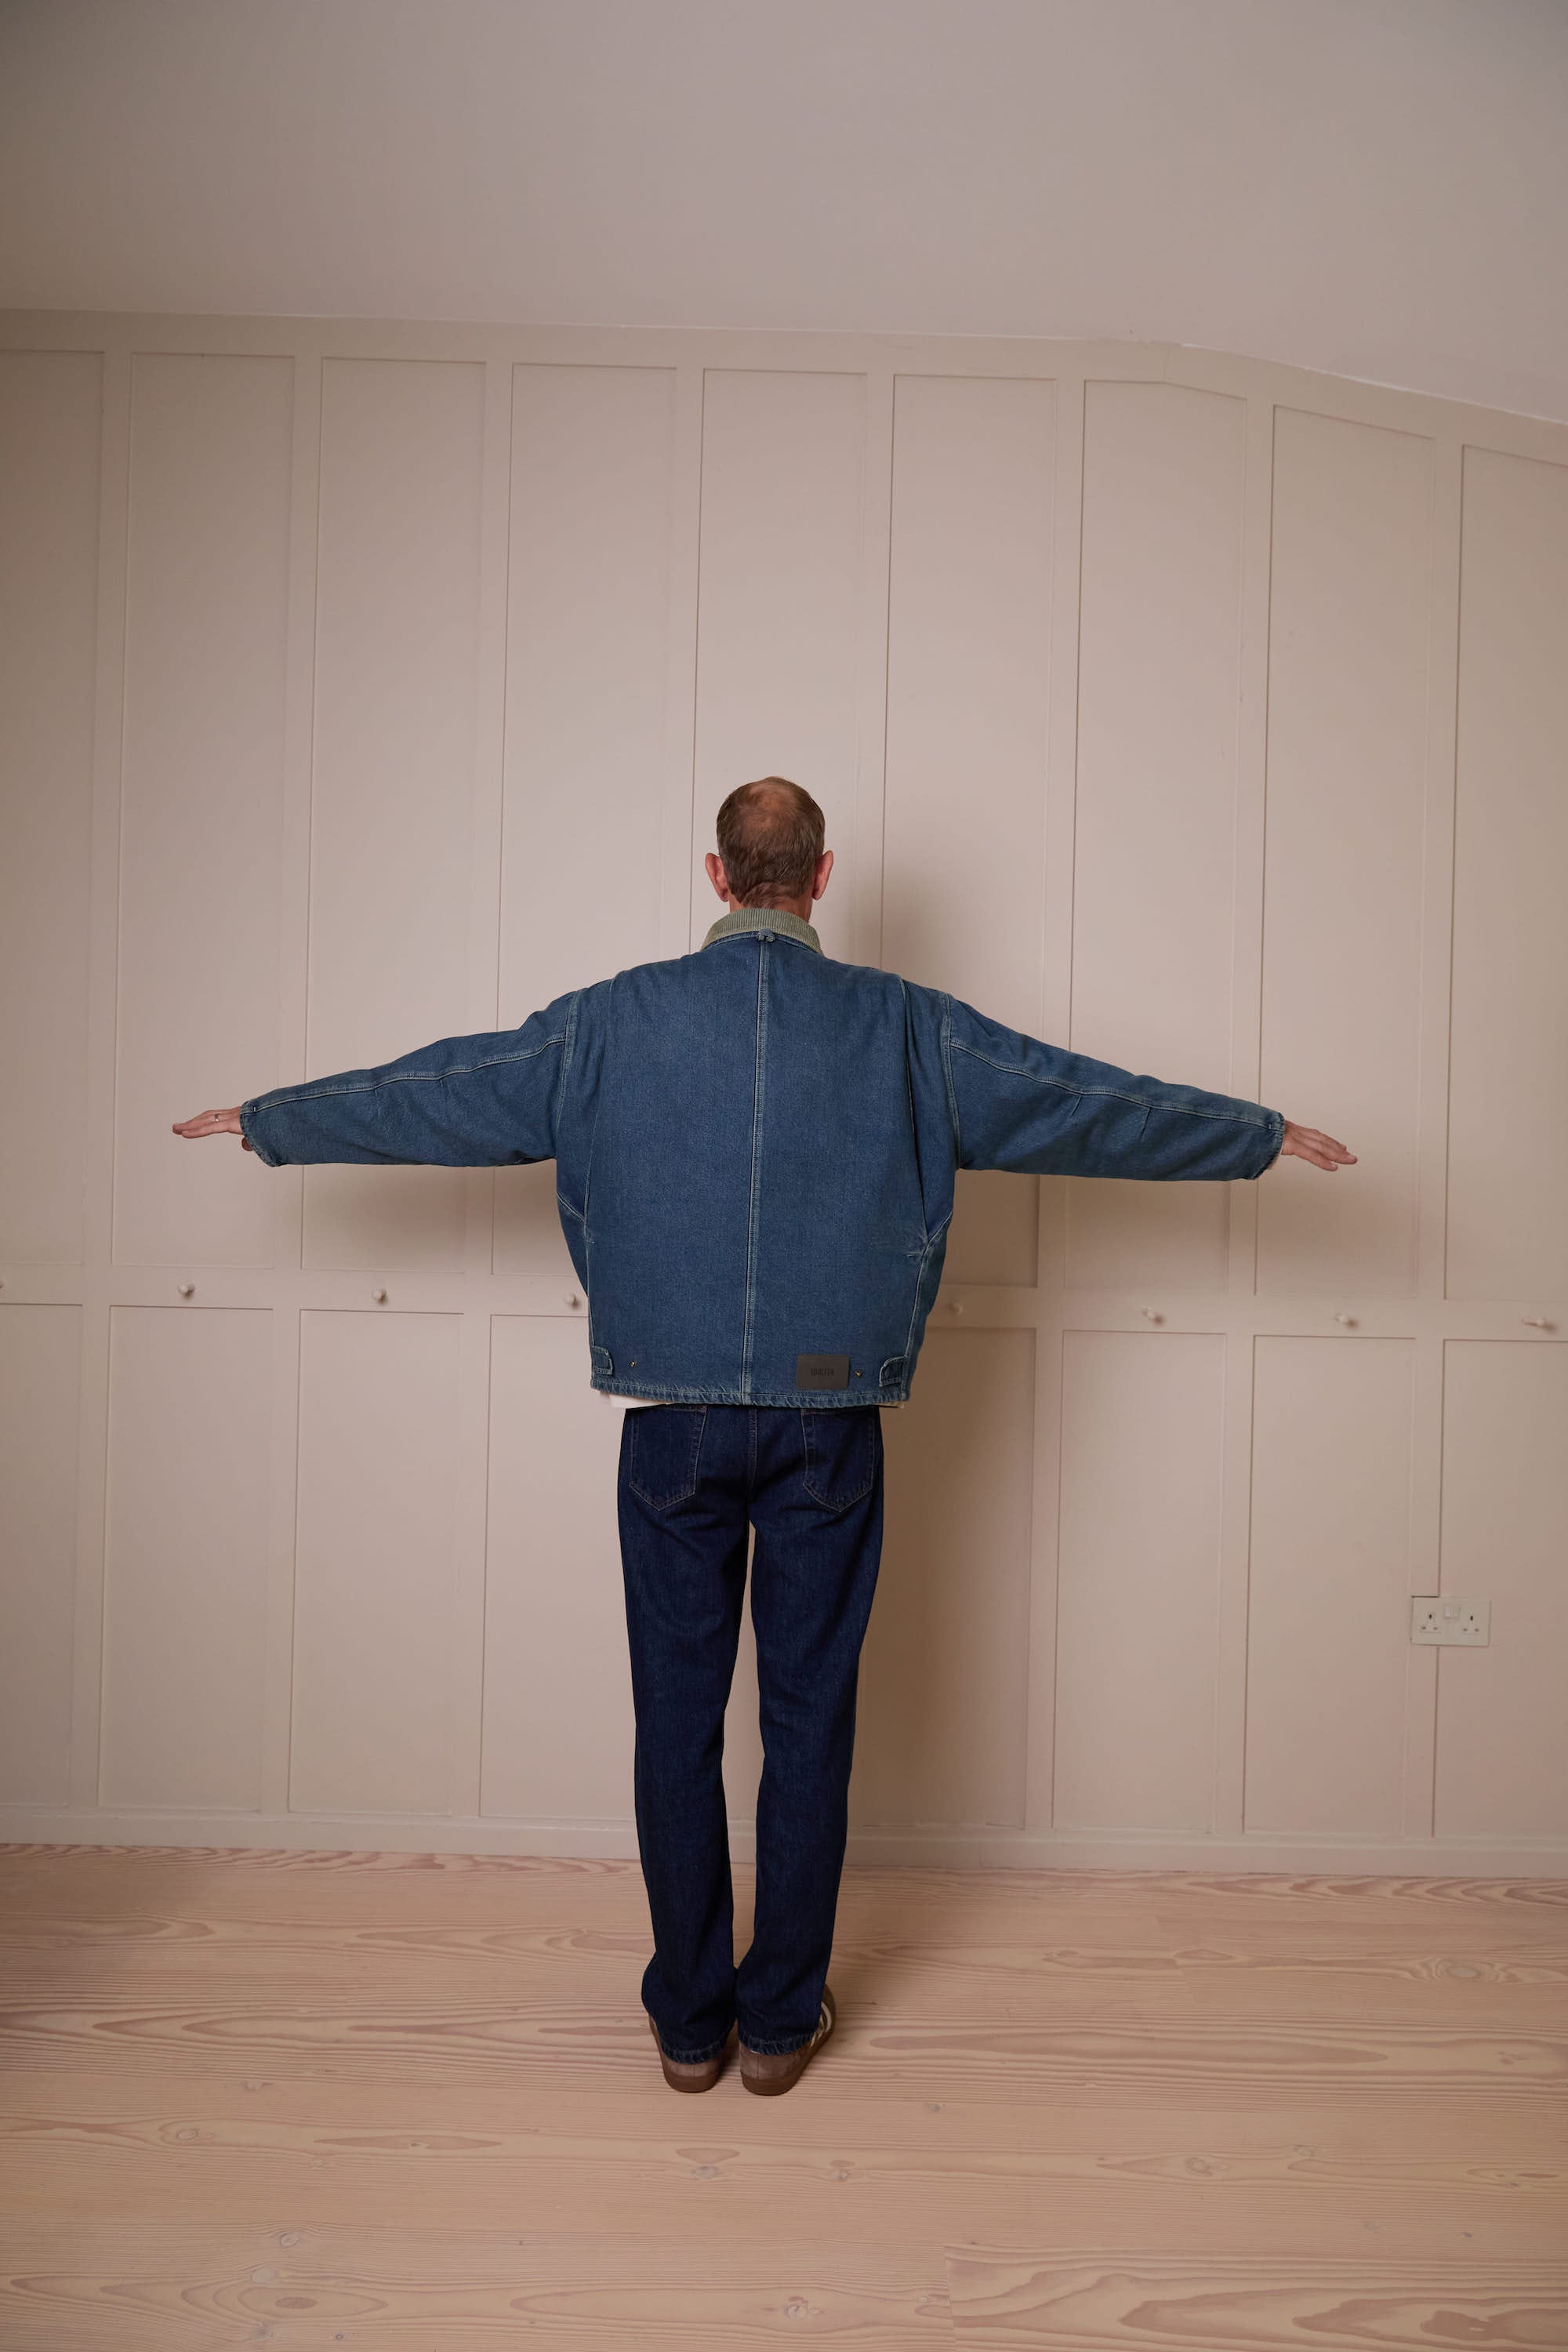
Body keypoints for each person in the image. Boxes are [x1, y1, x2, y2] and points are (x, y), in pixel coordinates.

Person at [174, 776, 1355, 2096]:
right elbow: (1085, 1101)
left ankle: (692, 2025)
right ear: (822, 875)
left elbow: (439, 1091)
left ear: (718, 875)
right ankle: (781, 2023)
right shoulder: (907, 1026)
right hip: (828, 1427)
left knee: (675, 1726)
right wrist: (1255, 1137)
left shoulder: (607, 1022)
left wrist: (272, 1120)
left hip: (670, 1425)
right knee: (807, 1723)